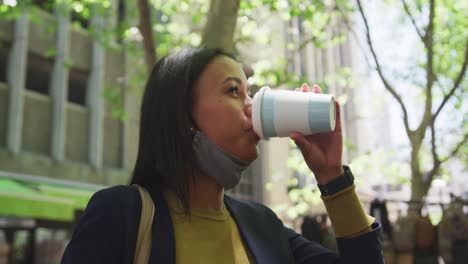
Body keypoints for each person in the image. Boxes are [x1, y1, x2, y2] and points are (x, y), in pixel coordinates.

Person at [61, 47, 384, 263]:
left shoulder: (262, 225)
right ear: (182, 114)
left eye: (250, 92)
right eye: (234, 91)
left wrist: (332, 177)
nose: (251, 105)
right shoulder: (122, 213)